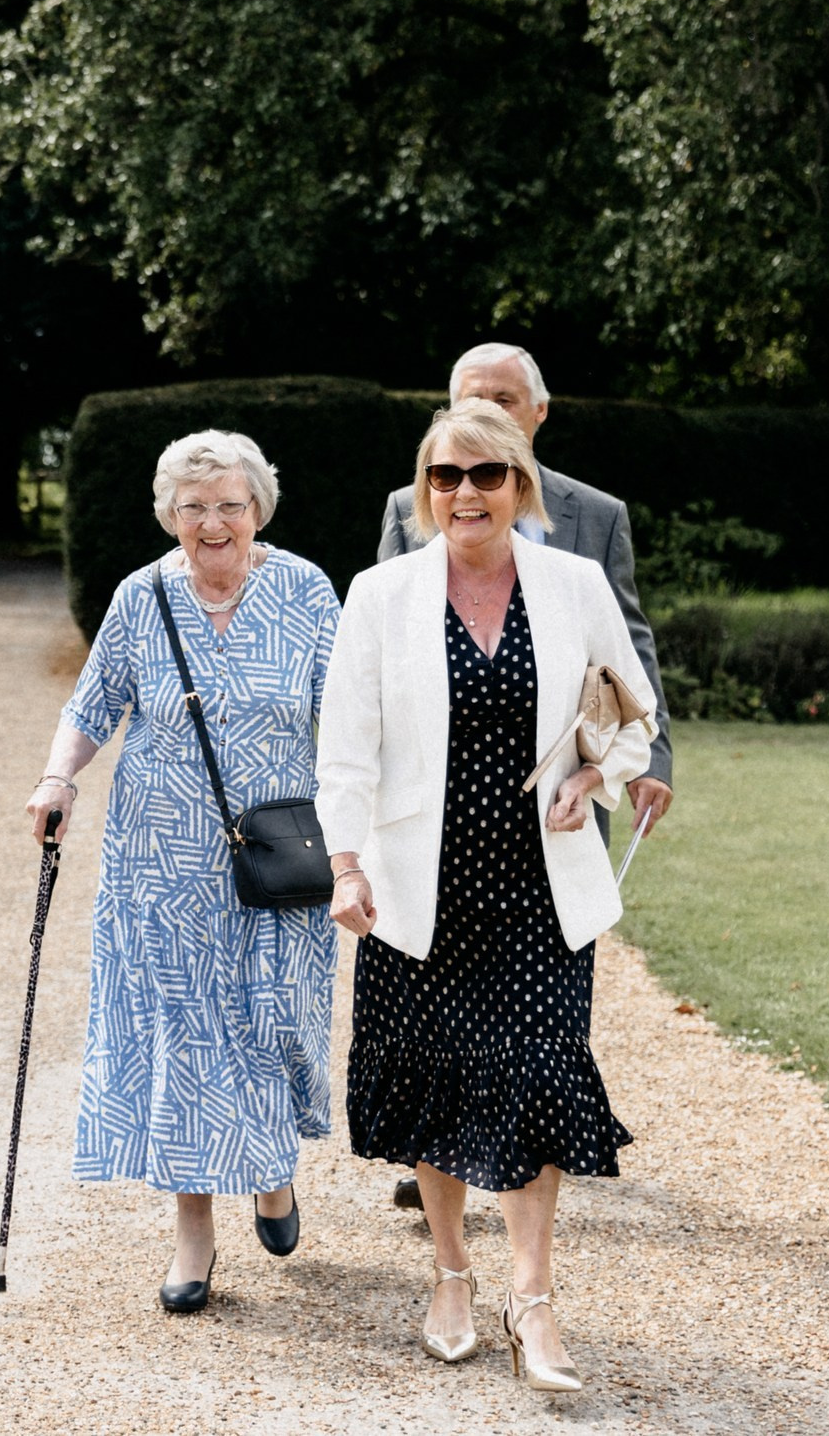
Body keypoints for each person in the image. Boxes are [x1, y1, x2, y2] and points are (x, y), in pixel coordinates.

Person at [320, 400, 659, 1393]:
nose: (463, 493)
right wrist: (346, 869)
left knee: (538, 1079)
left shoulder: (574, 583)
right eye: (443, 477)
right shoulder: (380, 595)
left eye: (484, 475)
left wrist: (590, 778)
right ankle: (450, 1273)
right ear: (424, 492)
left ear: (519, 483)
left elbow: (631, 722)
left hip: (537, 892)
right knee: (435, 1084)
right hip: (415, 892)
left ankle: (535, 1299)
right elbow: (344, 752)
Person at [26, 431, 343, 1316]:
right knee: (182, 1041)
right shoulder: (141, 596)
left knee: (276, 1018)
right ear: (170, 515)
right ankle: (193, 1232)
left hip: (279, 859)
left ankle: (272, 1169)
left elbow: (351, 717)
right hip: (160, 864)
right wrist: (58, 776)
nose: (213, 522)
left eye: (229, 504)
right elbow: (91, 706)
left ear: (258, 510)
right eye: (193, 507)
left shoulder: (306, 590)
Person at [376, 343, 672, 1214]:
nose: (489, 416)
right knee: (439, 986)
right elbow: (385, 654)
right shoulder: (407, 507)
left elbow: (630, 656)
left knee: (540, 999)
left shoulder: (595, 518)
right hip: (437, 806)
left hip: (559, 802)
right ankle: (445, 1152)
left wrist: (641, 762)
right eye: (471, 402)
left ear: (538, 414)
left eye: (505, 401)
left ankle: (525, 1138)